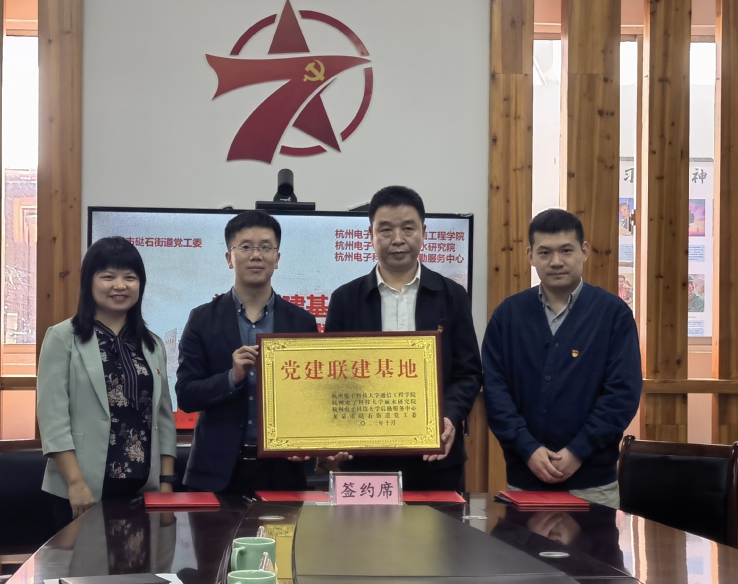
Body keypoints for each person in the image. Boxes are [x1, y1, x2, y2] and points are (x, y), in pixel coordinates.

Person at [324, 186, 483, 491]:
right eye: (386, 229)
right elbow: (332, 376)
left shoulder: (452, 295)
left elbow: (468, 372)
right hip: (364, 458)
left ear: (423, 232)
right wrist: (336, 431)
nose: (397, 239)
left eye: (408, 228)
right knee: (364, 526)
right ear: (370, 235)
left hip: (435, 458)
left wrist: (449, 416)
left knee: (438, 525)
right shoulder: (345, 299)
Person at [483, 209, 641, 509]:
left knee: (596, 543)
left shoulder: (613, 314)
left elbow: (622, 394)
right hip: (525, 480)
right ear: (530, 256)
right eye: (545, 252)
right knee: (521, 543)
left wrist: (578, 450)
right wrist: (528, 448)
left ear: (584, 251)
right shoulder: (508, 315)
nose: (556, 261)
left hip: (593, 484)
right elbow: (495, 392)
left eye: (566, 250)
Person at [37, 236, 177, 526]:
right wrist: (75, 483)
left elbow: (163, 418)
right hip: (82, 490)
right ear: (89, 282)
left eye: (130, 277)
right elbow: (53, 418)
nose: (120, 285)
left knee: (146, 558)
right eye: (108, 276)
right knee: (81, 558)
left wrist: (166, 485)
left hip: (143, 490)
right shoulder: (63, 337)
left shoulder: (152, 345)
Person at [176, 210, 318, 494]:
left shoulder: (301, 322)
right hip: (215, 474)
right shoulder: (202, 319)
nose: (256, 255)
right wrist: (232, 378)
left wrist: (309, 442)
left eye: (265, 247)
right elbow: (187, 396)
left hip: (282, 472)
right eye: (245, 247)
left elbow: (314, 397)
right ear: (229, 258)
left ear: (277, 258)